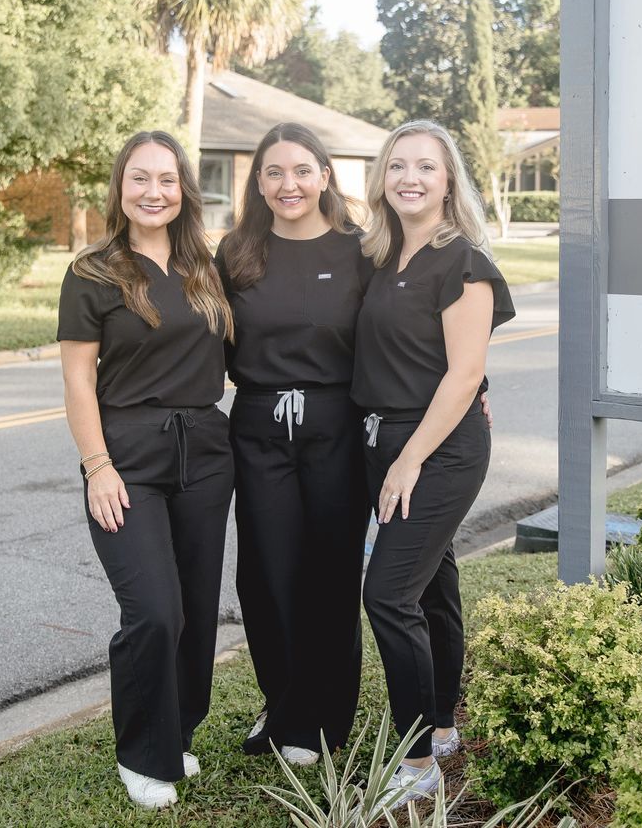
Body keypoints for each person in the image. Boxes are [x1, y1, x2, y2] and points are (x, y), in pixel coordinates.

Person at [57, 130, 235, 810]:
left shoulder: (205, 267)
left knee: (195, 609)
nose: (153, 191)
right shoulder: (94, 272)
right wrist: (97, 466)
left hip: (206, 452)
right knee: (154, 610)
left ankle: (177, 731)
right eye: (140, 178)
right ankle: (140, 752)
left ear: (183, 189)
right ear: (120, 188)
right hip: (127, 454)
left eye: (166, 179)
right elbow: (79, 382)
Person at [352, 120, 515, 802]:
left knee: (388, 595)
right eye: (397, 165)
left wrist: (410, 459)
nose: (409, 178)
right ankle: (443, 725)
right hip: (382, 441)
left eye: (425, 166)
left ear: (449, 181)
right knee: (432, 584)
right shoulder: (379, 256)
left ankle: (417, 765)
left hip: (437, 450)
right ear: (381, 179)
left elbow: (464, 373)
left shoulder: (463, 263)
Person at [215, 122, 373, 766]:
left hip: (337, 424)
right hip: (258, 427)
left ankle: (323, 717)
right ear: (258, 182)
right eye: (275, 172)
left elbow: (403, 329)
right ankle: (283, 704)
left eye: (303, 170)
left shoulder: (360, 249)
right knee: (267, 576)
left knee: (331, 575)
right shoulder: (236, 252)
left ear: (324, 176)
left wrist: (477, 385)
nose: (290, 184)